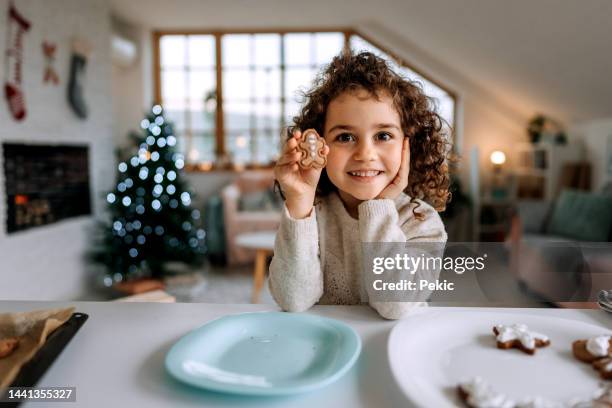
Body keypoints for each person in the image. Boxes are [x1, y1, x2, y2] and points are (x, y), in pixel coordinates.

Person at [269, 51, 450, 319]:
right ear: (320, 145)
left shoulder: (422, 223)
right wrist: (299, 203)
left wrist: (379, 208)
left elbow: (395, 305)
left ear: (408, 145)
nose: (365, 153)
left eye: (383, 135)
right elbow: (293, 300)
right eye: (345, 137)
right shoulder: (309, 216)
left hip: (394, 350)